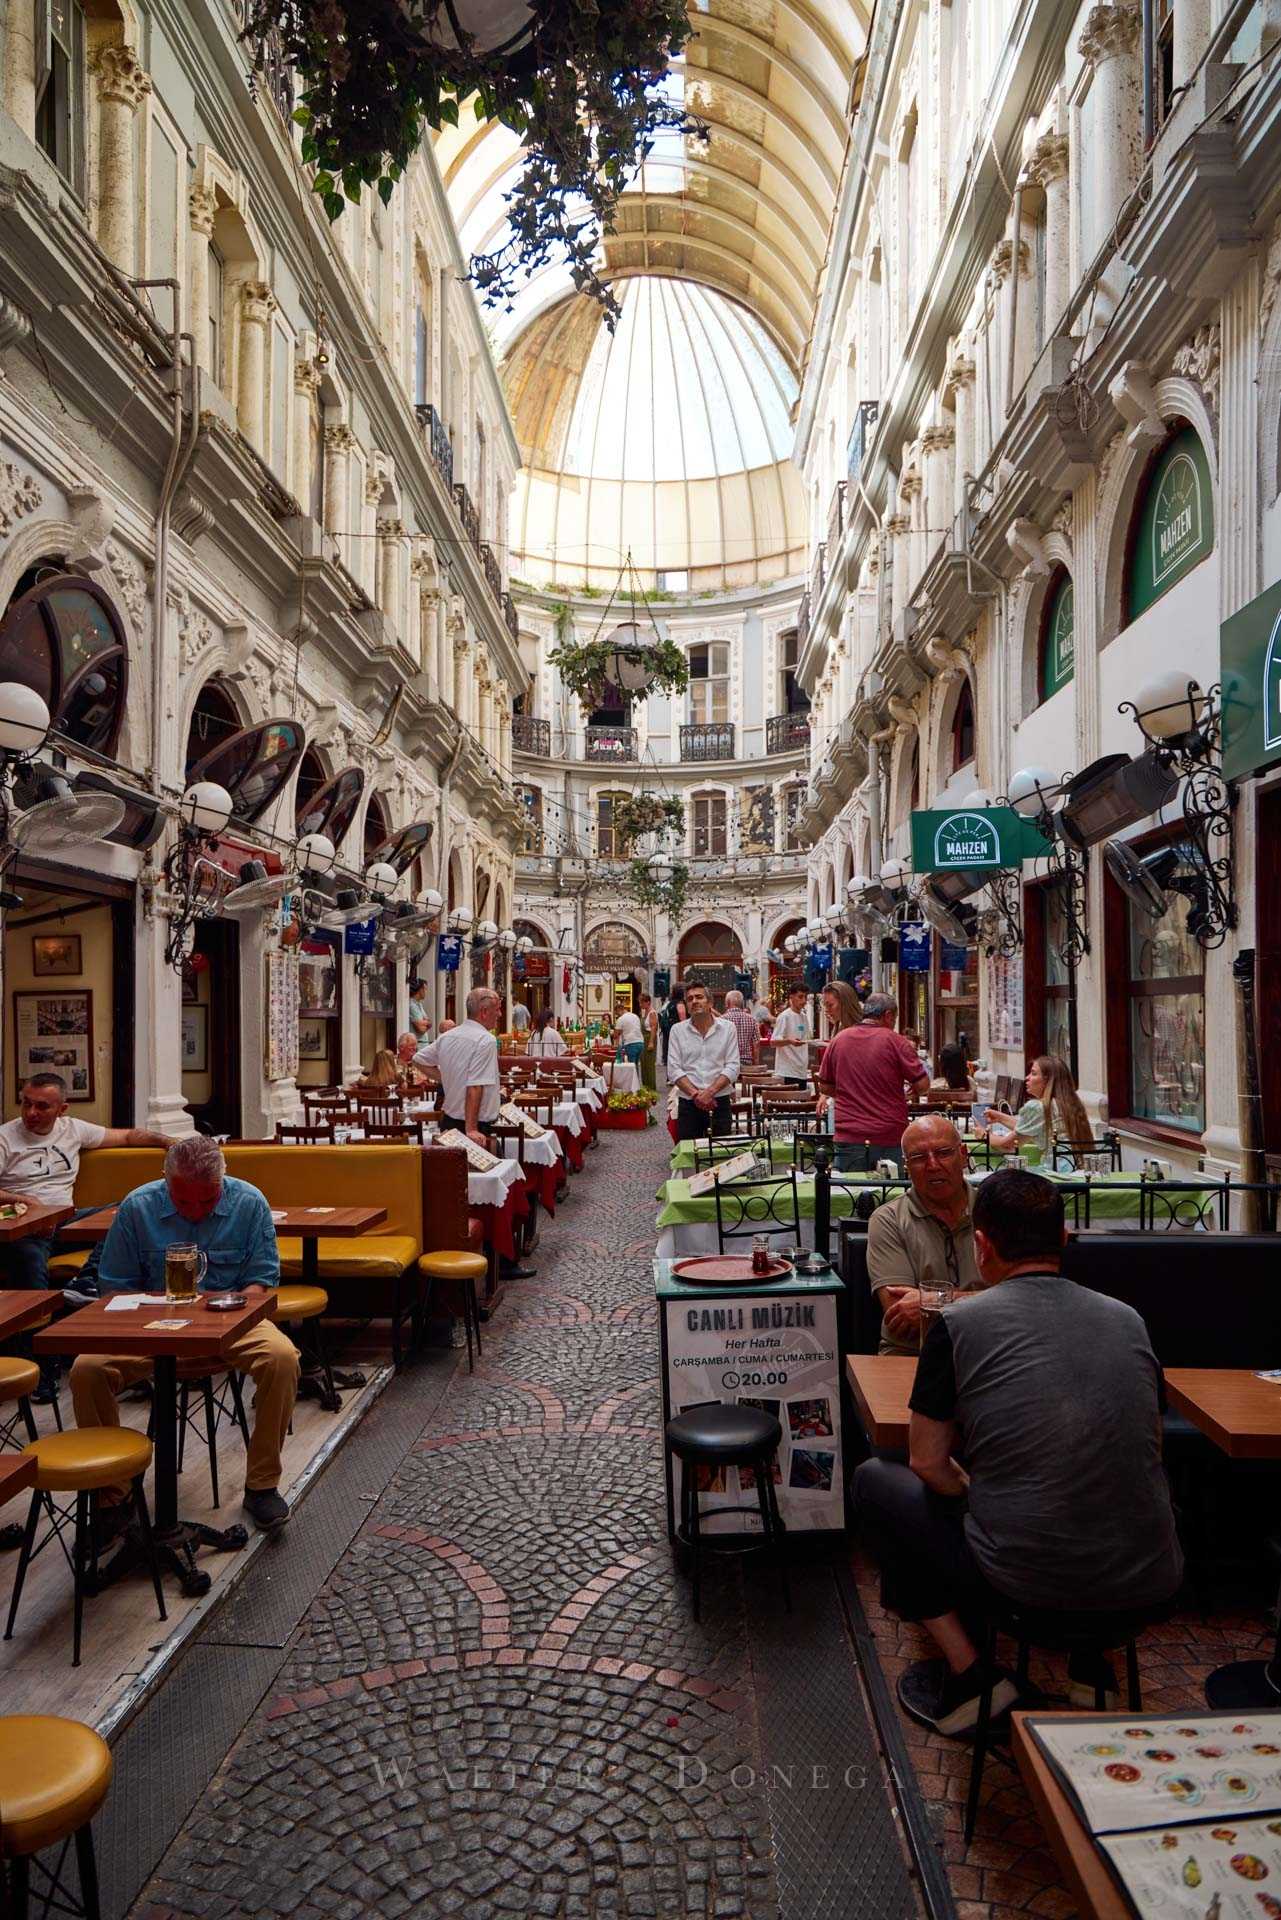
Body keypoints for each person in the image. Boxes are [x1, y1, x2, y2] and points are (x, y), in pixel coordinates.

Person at [853, 1169, 1182, 1734]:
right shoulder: (1129, 1319)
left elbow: (929, 1462)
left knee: (877, 1481)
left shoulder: (957, 1324)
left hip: (1025, 1589)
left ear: (982, 1247)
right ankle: (1092, 1667)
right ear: (1064, 1240)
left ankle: (972, 1677)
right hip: (1153, 1583)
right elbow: (1145, 1440)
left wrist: (973, 1494)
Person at [70, 1136, 301, 1536]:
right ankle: (114, 1495)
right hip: (147, 1328)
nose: (195, 1212)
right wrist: (157, 1316)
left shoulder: (249, 1203)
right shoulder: (138, 1207)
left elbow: (261, 1281)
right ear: (165, 1182)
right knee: (86, 1369)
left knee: (282, 1357)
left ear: (222, 1182)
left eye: (207, 1203)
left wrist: (220, 1318)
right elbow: (116, 1288)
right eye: (183, 1203)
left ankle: (262, 1484)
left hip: (230, 1322)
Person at [0, 1073, 172, 1399]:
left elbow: (127, 1137)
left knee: (128, 1210)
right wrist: (24, 1202)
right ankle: (41, 1371)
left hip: (65, 1222)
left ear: (61, 1109)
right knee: (30, 1269)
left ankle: (85, 1282)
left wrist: (170, 1143)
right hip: (24, 1231)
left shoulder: (74, 1130)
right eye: (26, 1103)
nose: (31, 1113)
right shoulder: (6, 1138)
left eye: (42, 1106)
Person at [867, 1116, 983, 1354]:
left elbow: (1024, 1300)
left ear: (964, 1155)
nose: (932, 1165)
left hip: (988, 1350)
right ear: (906, 1165)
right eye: (919, 1158)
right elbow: (901, 1316)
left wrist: (933, 1302)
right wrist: (986, 1302)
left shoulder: (996, 1210)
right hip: (913, 1354)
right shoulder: (888, 1219)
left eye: (943, 1153)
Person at [817, 990, 928, 1171]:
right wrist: (912, 1091)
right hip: (889, 1135)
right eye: (894, 1020)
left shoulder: (839, 1040)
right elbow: (923, 1085)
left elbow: (825, 1087)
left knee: (849, 1195)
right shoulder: (896, 1042)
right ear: (888, 1016)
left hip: (849, 1135)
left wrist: (851, 1091)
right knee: (888, 1194)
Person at [980, 1054, 1089, 1166]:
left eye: (1033, 1073)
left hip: (1057, 1171)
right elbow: (1031, 1127)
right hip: (1078, 1167)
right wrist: (1000, 1117)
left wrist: (983, 1135)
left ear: (1047, 1080)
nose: (1027, 1077)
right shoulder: (1068, 1103)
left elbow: (1009, 1144)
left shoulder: (1038, 1107)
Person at [666, 982, 740, 1140]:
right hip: (688, 1103)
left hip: (719, 1102)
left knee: (721, 1154)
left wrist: (710, 1092)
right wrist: (696, 1095)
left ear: (710, 1003)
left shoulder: (728, 1028)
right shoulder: (677, 1031)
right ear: (686, 1005)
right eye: (690, 999)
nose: (694, 1001)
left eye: (699, 997)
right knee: (690, 1155)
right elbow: (673, 1069)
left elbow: (733, 1066)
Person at [770, 982, 812, 1086]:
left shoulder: (804, 1017)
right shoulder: (784, 1016)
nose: (804, 1001)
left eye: (805, 997)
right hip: (787, 1071)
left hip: (802, 1070)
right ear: (791, 997)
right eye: (800, 997)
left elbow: (805, 1038)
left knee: (802, 1101)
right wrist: (789, 1041)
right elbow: (773, 1042)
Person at [721, 989, 760, 1068]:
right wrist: (756, 1064)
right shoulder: (751, 1019)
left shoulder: (722, 1020)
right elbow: (756, 1045)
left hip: (727, 1064)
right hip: (747, 1063)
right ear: (742, 1004)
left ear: (727, 1003)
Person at [658, 984, 686, 1069]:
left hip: (668, 1033)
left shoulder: (669, 1004)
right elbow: (683, 1019)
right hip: (678, 1034)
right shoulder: (680, 1004)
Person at [614, 1002, 644, 1067]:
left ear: (619, 1010)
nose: (617, 1015)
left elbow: (615, 1035)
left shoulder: (621, 1019)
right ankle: (636, 1077)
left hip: (631, 1043)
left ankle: (633, 1077)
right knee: (635, 1065)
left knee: (631, 1066)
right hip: (641, 1042)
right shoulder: (635, 1016)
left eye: (616, 1013)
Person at [639, 993, 659, 1087]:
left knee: (649, 1065)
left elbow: (653, 1028)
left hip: (649, 1039)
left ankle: (651, 1087)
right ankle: (645, 1086)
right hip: (644, 1039)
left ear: (648, 1002)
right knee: (644, 1064)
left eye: (642, 1002)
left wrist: (651, 1042)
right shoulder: (645, 1012)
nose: (640, 1005)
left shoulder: (652, 1013)